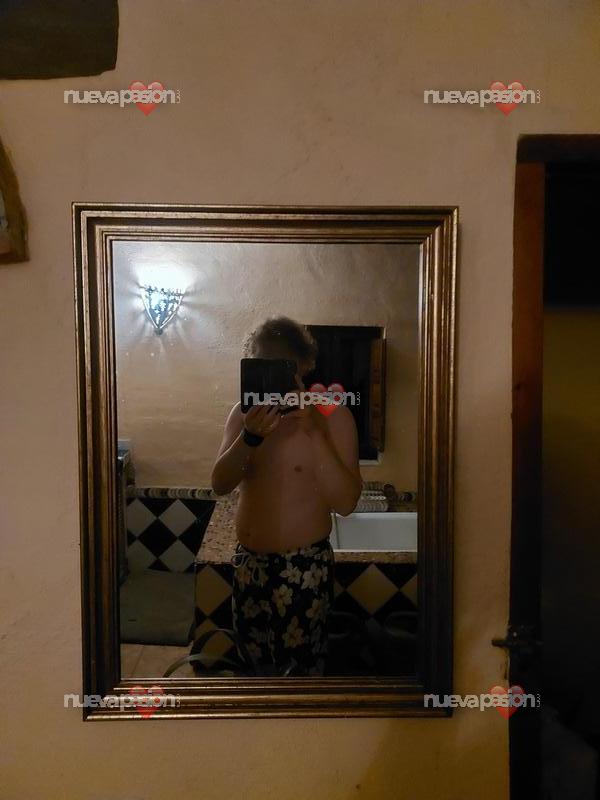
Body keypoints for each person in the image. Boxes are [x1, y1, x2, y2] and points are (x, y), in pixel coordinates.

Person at [211, 316, 362, 675]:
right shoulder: (243, 415)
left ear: (304, 366)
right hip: (249, 566)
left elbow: (346, 504)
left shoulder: (333, 416)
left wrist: (315, 433)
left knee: (301, 676)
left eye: (282, 367)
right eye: (262, 365)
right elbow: (220, 484)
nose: (272, 378)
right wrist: (249, 437)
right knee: (253, 672)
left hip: (304, 568)